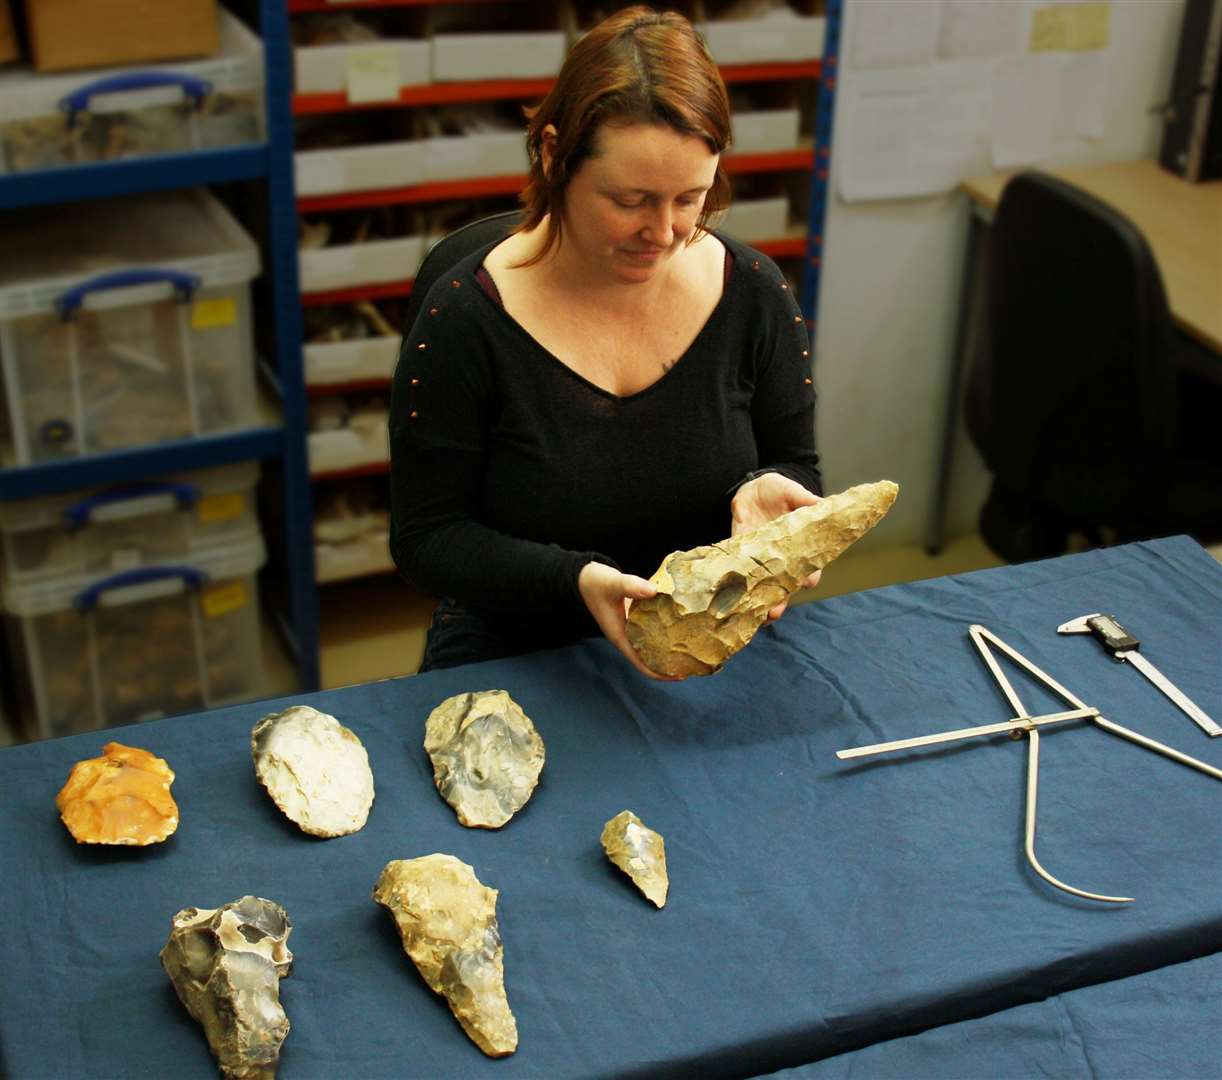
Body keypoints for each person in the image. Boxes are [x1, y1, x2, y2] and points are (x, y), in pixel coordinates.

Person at [390, 6, 822, 679]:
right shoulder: (467, 319)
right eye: (630, 200)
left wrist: (772, 489)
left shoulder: (755, 295)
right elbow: (427, 539)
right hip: (519, 646)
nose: (666, 231)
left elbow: (797, 462)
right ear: (552, 154)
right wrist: (577, 581)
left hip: (702, 641)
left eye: (691, 197)